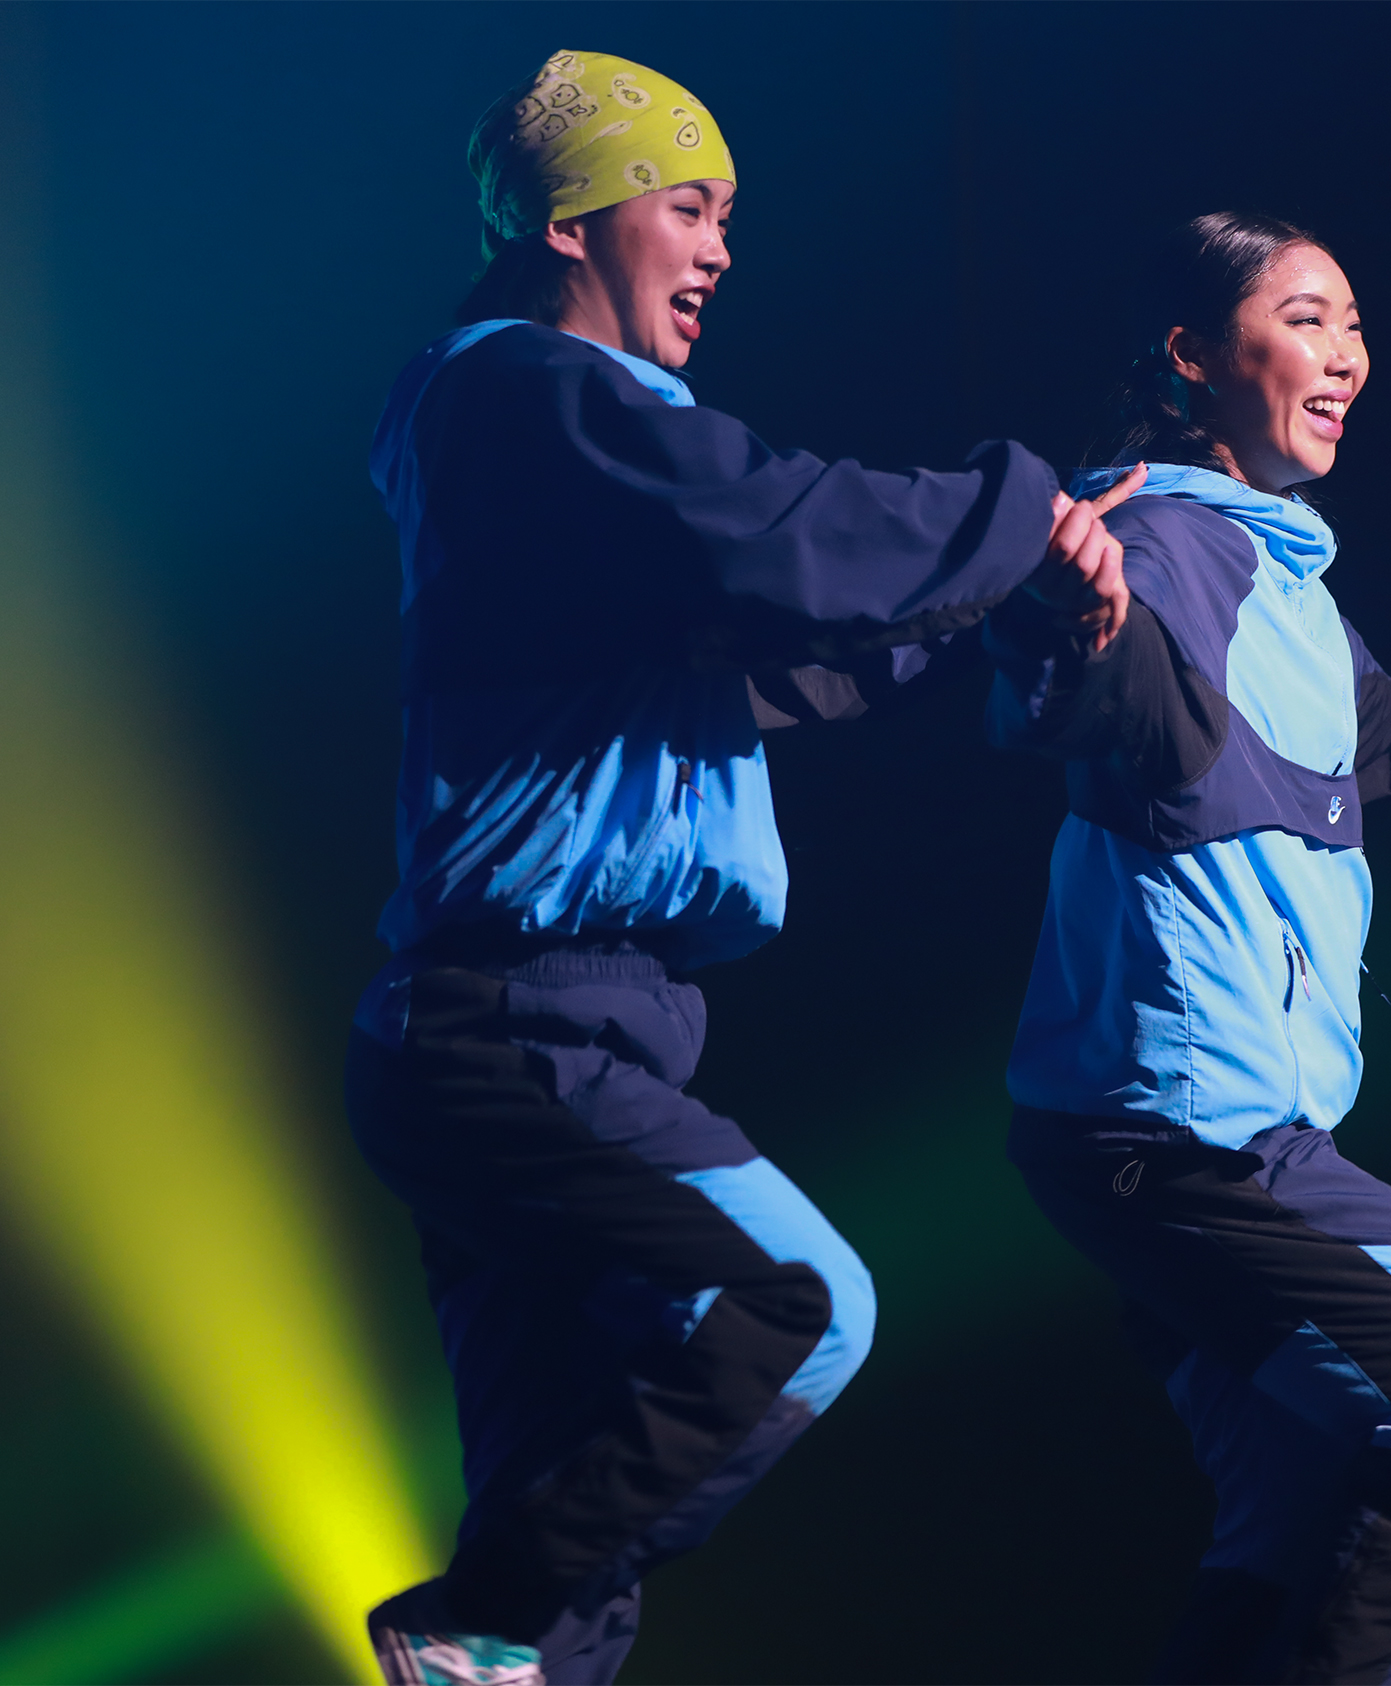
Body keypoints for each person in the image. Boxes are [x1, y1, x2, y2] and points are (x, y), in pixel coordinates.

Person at [347, 49, 1136, 1686]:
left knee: (570, 1534)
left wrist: (1003, 592)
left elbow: (793, 646)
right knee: (795, 1303)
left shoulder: (555, 466)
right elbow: (785, 534)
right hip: (520, 1027)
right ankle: (473, 1615)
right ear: (573, 217)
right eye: (690, 207)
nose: (720, 250)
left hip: (539, 1028)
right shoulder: (530, 393)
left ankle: (500, 1639)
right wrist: (1020, 507)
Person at [983, 212, 1391, 1684]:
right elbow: (1095, 682)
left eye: (1353, 324)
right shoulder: (1166, 544)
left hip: (1193, 1137)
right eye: (1306, 320)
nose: (1347, 354)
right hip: (1186, 1143)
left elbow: (1367, 719)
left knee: (1294, 1504)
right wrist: (1075, 631)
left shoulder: (1288, 582)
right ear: (1192, 355)